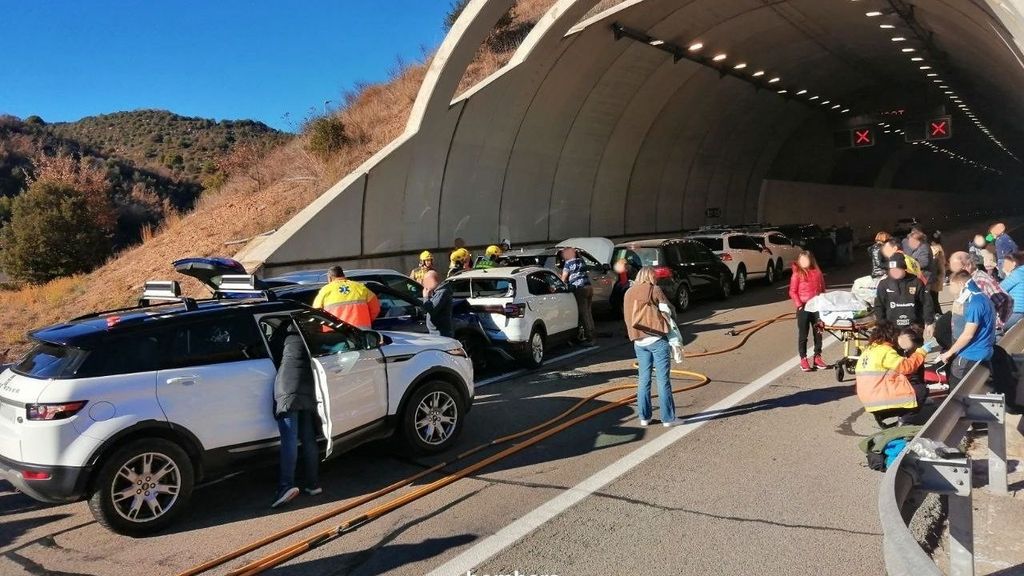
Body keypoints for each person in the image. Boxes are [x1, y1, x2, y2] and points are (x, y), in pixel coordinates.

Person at [623, 266, 683, 427]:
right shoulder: (654, 289)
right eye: (654, 276)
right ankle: (668, 418)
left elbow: (627, 316)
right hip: (656, 339)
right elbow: (668, 311)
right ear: (650, 276)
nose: (656, 279)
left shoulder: (628, 292)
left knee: (643, 379)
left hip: (638, 342)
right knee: (663, 380)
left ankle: (644, 417)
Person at [271, 321, 320, 508]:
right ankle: (313, 484)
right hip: (307, 388)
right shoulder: (311, 339)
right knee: (308, 438)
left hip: (287, 388)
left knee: (289, 440)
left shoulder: (285, 337)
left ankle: (286, 486)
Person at [855, 322, 932, 429]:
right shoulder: (885, 351)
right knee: (920, 390)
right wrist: (921, 352)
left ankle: (881, 416)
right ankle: (905, 422)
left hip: (869, 401)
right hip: (880, 399)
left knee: (907, 382)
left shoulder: (869, 350)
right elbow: (907, 367)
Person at [940, 270, 997, 386]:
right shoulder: (983, 297)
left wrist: (949, 353)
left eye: (952, 285)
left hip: (970, 355)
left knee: (957, 389)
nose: (950, 289)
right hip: (985, 352)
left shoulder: (974, 303)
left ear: (961, 284)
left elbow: (968, 335)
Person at [948, 251, 1013, 329]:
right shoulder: (970, 282)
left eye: (958, 272)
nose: (955, 277)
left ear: (968, 265)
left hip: (990, 330)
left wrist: (996, 326)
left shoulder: (979, 282)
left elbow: (1005, 302)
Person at [789, 250, 826, 372]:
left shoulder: (817, 273)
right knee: (803, 334)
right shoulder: (797, 274)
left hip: (817, 306)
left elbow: (822, 289)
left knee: (818, 333)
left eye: (806, 259)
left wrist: (823, 303)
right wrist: (799, 304)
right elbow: (792, 291)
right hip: (804, 307)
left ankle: (817, 356)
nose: (804, 262)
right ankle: (803, 358)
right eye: (802, 260)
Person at [875, 255, 934, 331]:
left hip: (914, 327)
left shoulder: (916, 282)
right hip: (892, 328)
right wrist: (881, 325)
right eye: (892, 270)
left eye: (897, 269)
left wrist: (929, 322)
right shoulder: (884, 284)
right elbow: (879, 306)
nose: (894, 272)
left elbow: (927, 303)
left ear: (904, 269)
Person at [312, 266, 381, 329]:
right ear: (344, 276)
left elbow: (315, 312)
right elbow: (375, 308)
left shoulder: (325, 290)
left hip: (336, 334)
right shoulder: (360, 287)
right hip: (361, 332)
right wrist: (366, 320)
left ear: (329, 278)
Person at [561, 247, 595, 344]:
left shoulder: (568, 264)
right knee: (588, 312)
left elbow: (564, 278)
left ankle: (590, 338)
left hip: (579, 288)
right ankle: (593, 333)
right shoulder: (581, 260)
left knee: (583, 313)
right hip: (588, 287)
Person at [420, 269, 453, 338]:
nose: (424, 285)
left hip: (440, 333)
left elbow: (431, 309)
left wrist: (426, 297)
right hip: (436, 332)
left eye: (426, 282)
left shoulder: (442, 292)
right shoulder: (437, 292)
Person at [1000, 251, 1024, 331]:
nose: (1003, 265)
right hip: (1020, 312)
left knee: (996, 329)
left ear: (1013, 264)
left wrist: (1007, 275)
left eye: (1005, 263)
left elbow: (999, 289)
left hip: (1017, 311)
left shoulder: (1017, 274)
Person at [928, 231, 946, 315]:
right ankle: (938, 314)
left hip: (935, 276)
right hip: (939, 275)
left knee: (933, 298)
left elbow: (934, 263)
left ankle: (938, 314)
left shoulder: (935, 249)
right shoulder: (940, 247)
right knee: (934, 298)